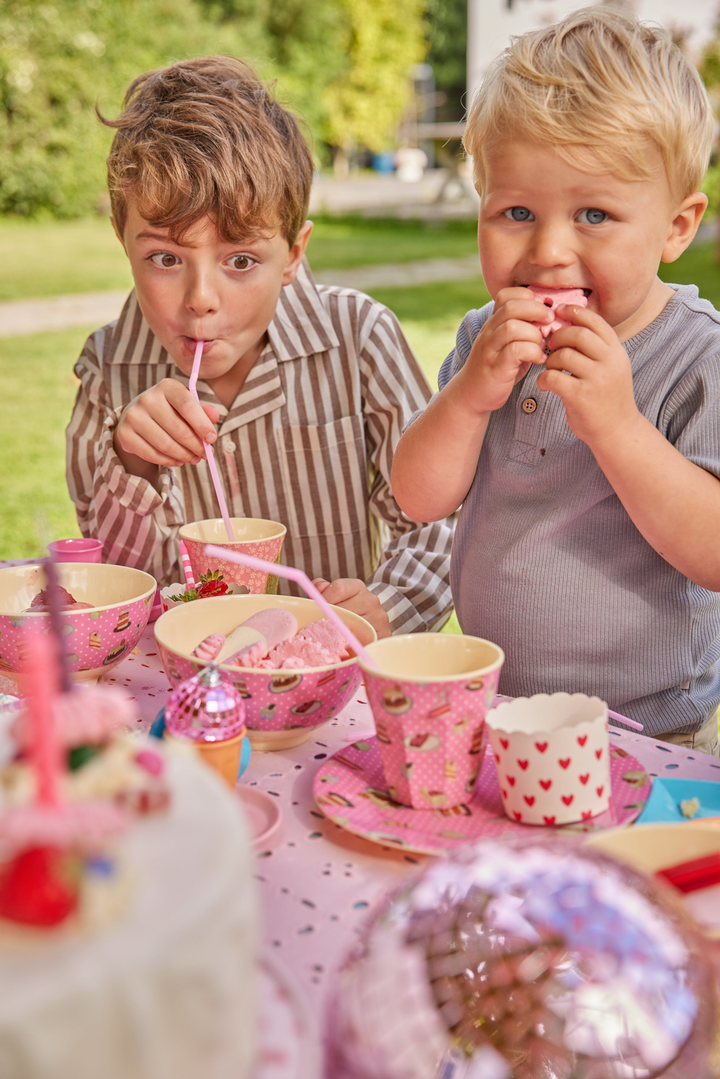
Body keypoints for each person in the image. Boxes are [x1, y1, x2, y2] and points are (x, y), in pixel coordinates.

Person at [392, 7, 720, 751]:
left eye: (595, 214)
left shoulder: (698, 358)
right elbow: (418, 495)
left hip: (648, 729)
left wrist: (618, 425)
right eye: (516, 211)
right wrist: (470, 394)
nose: (548, 251)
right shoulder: (486, 340)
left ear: (676, 226)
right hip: (497, 713)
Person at [66, 56, 455, 640]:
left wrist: (388, 603)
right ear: (124, 241)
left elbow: (439, 522)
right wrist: (133, 463)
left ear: (294, 254)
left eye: (240, 261)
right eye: (165, 258)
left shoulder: (358, 339)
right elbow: (114, 589)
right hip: (185, 688)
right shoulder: (109, 368)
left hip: (328, 680)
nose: (201, 299)